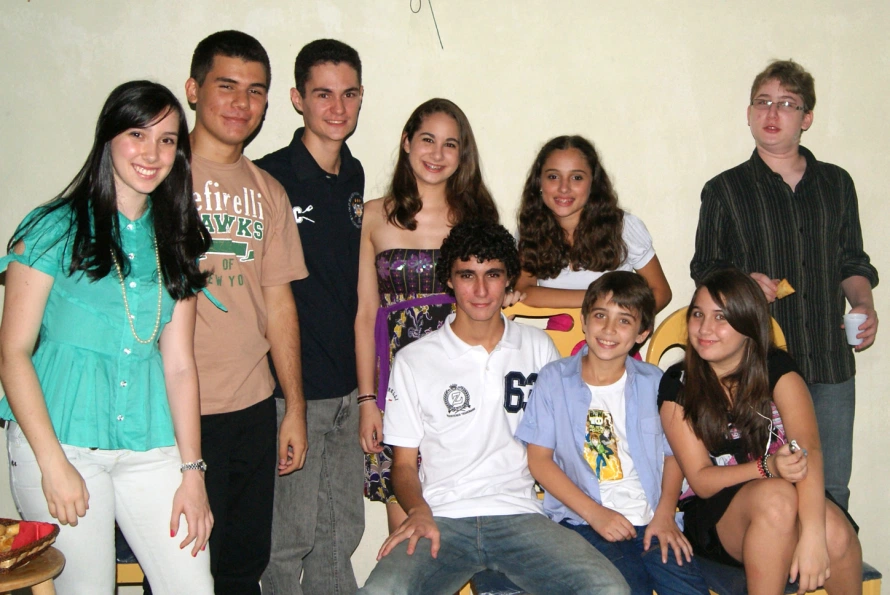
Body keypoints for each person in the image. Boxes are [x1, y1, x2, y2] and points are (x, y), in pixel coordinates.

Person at [0, 81, 214, 594]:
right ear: (108, 138)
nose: (152, 153)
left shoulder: (178, 238)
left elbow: (180, 365)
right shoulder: (52, 227)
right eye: (137, 134)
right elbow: (12, 353)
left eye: (167, 140)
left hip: (152, 444)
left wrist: (193, 472)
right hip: (61, 442)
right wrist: (52, 463)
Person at [358, 221, 629, 595]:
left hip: (520, 516)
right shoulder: (415, 359)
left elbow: (570, 440)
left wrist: (599, 508)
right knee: (379, 591)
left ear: (508, 280)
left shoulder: (538, 348)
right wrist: (418, 512)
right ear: (449, 279)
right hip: (443, 519)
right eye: (467, 275)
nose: (481, 290)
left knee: (608, 588)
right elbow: (403, 466)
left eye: (493, 275)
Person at [690, 59, 878, 510]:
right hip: (759, 366)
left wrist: (864, 305)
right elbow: (705, 269)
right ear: (749, 113)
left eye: (787, 104)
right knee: (771, 486)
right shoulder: (724, 190)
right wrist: (744, 285)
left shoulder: (837, 184)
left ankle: (826, 554)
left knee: (831, 488)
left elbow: (852, 260)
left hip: (829, 360)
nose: (772, 113)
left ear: (806, 118)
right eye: (763, 102)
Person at [186, 30, 309, 594]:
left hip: (253, 407)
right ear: (194, 89)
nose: (241, 103)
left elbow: (279, 305)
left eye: (255, 91)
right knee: (182, 567)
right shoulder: (158, 176)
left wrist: (294, 407)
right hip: (175, 411)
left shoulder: (269, 191)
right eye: (227, 86)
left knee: (242, 564)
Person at [658, 268, 862, 594]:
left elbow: (808, 450)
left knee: (833, 531)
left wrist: (812, 537)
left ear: (748, 323)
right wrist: (767, 467)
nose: (705, 328)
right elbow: (702, 480)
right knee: (776, 498)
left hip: (789, 491)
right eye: (698, 314)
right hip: (719, 514)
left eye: (721, 317)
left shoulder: (775, 367)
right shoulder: (677, 383)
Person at [354, 98, 500, 533]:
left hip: (459, 378)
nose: (437, 154)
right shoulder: (373, 216)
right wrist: (367, 401)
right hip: (395, 376)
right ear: (406, 142)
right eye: (427, 140)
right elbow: (365, 314)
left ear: (462, 153)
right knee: (406, 530)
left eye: (450, 144)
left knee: (463, 513)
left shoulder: (476, 218)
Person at [517, 271, 710, 595]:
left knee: (688, 588)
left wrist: (665, 514)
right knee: (624, 587)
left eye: (624, 321)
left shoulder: (655, 382)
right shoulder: (554, 380)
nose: (608, 329)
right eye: (600, 316)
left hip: (652, 519)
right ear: (584, 320)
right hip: (583, 521)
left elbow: (673, 453)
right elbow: (539, 460)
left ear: (642, 332)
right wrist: (596, 515)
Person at [253, 39, 364, 595]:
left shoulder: (354, 176)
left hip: (347, 390)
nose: (337, 108)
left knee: (340, 535)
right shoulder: (267, 178)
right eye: (323, 94)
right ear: (298, 99)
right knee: (285, 542)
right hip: (289, 392)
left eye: (349, 94)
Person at [516, 135, 671, 313]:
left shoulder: (622, 227)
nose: (564, 188)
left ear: (593, 183)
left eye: (577, 177)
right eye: (553, 176)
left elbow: (661, 292)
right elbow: (524, 291)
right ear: (538, 181)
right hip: (556, 331)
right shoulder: (531, 228)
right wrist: (601, 298)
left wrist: (626, 323)